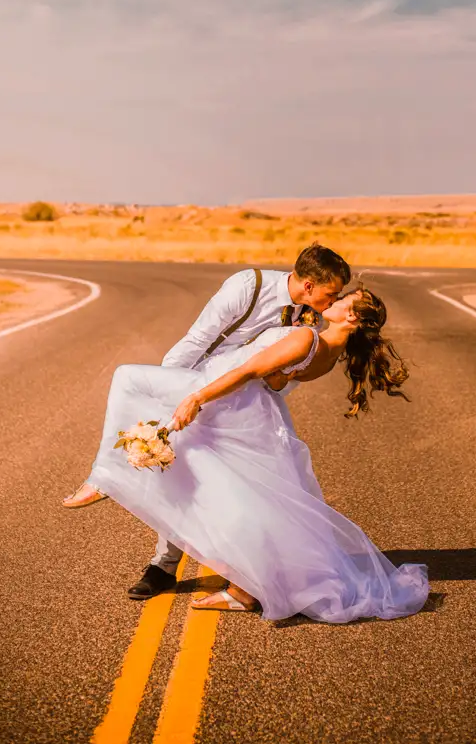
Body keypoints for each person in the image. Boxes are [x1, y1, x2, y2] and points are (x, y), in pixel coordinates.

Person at [64, 288, 428, 623]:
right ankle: (245, 588)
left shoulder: (307, 337)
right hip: (257, 413)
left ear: (352, 319)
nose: (338, 297)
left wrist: (197, 397)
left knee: (127, 377)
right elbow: (277, 381)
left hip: (231, 401)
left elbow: (250, 370)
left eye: (347, 299)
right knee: (244, 495)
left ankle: (105, 477)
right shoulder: (329, 356)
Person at [63, 243, 352, 600]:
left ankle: (250, 571)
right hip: (195, 381)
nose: (333, 299)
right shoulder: (249, 287)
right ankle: (162, 565)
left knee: (225, 482)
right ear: (308, 285)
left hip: (238, 401)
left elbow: (281, 378)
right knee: (178, 469)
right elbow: (197, 338)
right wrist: (168, 395)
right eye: (331, 292)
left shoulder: (307, 318)